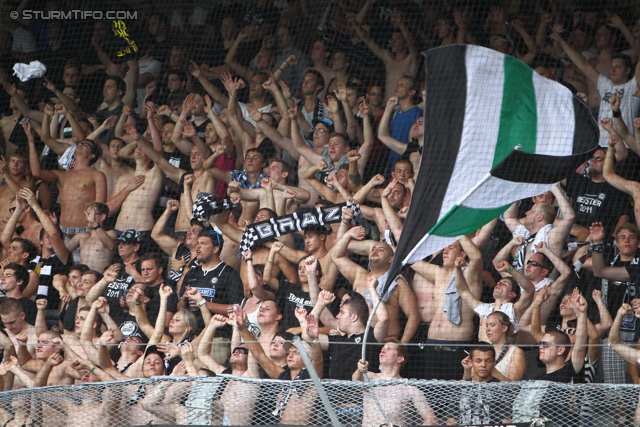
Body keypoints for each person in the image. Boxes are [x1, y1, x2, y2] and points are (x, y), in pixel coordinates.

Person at [551, 28, 640, 147]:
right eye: (611, 66)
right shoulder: (605, 84)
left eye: (618, 67)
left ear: (628, 70)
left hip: (626, 147)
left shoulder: (633, 86)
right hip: (602, 146)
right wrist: (561, 41)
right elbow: (583, 65)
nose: (613, 70)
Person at [332, 225, 419, 343]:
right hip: (356, 340)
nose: (375, 251)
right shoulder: (358, 274)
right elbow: (336, 256)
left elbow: (413, 316)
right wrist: (348, 234)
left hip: (383, 343)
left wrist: (401, 344)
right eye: (373, 249)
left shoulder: (398, 282)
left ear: (390, 259)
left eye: (381, 250)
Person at [27, 123, 107, 237]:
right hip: (62, 230)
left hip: (85, 231)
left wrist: (94, 231)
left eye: (86, 144)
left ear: (92, 156)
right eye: (80, 143)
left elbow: (100, 207)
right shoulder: (61, 175)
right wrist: (31, 141)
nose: (80, 144)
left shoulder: (97, 175)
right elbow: (36, 172)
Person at [178, 229, 243, 363]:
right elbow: (179, 307)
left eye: (203, 243)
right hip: (191, 338)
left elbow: (235, 309)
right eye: (197, 243)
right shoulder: (192, 273)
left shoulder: (229, 274)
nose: (198, 246)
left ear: (215, 249)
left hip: (217, 339)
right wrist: (184, 298)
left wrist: (204, 303)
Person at [352, 341, 437, 426]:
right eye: (382, 349)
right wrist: (360, 370)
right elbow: (355, 381)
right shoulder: (370, 377)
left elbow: (432, 420)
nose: (383, 351)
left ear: (400, 358)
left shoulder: (409, 388)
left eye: (389, 349)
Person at [455, 258, 534, 343]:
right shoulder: (485, 308)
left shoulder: (514, 309)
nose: (499, 283)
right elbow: (463, 290)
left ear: (512, 294)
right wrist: (457, 269)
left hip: (502, 355)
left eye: (504, 284)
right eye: (498, 282)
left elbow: (530, 290)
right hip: (481, 354)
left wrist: (510, 269)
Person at [447, 346, 513, 425]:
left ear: (494, 362)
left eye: (488, 361)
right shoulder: (460, 388)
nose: (483, 365)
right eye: (478, 361)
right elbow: (451, 421)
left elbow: (507, 421)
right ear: (471, 362)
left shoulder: (501, 390)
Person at [64, 201, 117, 273]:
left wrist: (95, 224)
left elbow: (111, 246)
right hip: (81, 280)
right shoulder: (82, 236)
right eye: (86, 214)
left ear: (102, 217)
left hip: (98, 278)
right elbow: (63, 250)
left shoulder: (111, 233)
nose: (87, 217)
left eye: (90, 214)